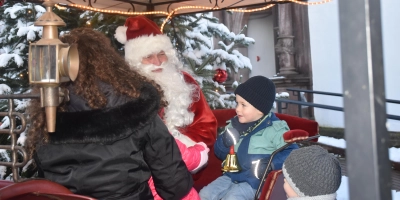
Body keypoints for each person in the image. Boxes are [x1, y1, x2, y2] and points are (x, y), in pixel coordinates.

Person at [25, 28, 193, 200]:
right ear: (109, 60)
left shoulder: (45, 115)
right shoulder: (137, 106)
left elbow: (44, 176)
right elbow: (174, 184)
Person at [114, 16, 217, 149]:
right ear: (135, 61)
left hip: (185, 158)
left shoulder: (184, 80)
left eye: (161, 54)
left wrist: (183, 148)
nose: (157, 62)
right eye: (148, 56)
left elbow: (206, 126)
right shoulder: (127, 88)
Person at [199, 76, 299, 200]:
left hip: (254, 182)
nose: (237, 109)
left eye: (243, 105)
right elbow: (219, 153)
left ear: (260, 109)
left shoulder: (274, 129)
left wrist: (271, 164)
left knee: (233, 198)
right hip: (230, 176)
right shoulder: (234, 124)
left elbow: (293, 153)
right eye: (237, 103)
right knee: (204, 195)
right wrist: (224, 143)